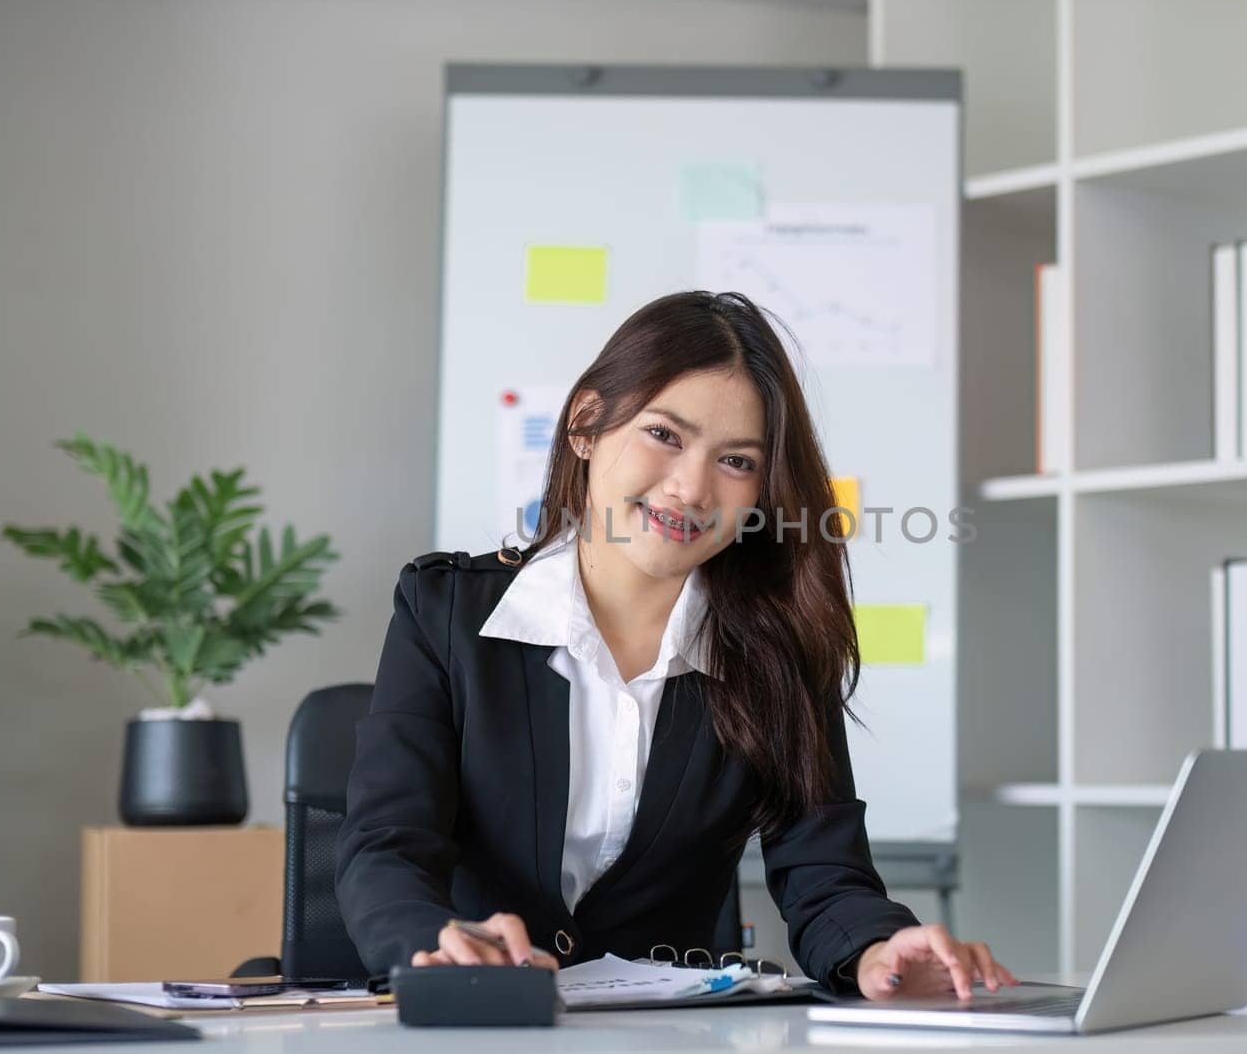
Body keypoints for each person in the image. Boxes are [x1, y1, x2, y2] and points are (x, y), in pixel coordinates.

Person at [335, 290, 1015, 1001]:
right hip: (478, 1025)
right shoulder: (446, 614)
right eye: (665, 434)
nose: (691, 487)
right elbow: (386, 846)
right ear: (586, 425)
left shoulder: (775, 649)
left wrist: (880, 947)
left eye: (737, 461)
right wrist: (430, 940)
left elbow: (826, 877)